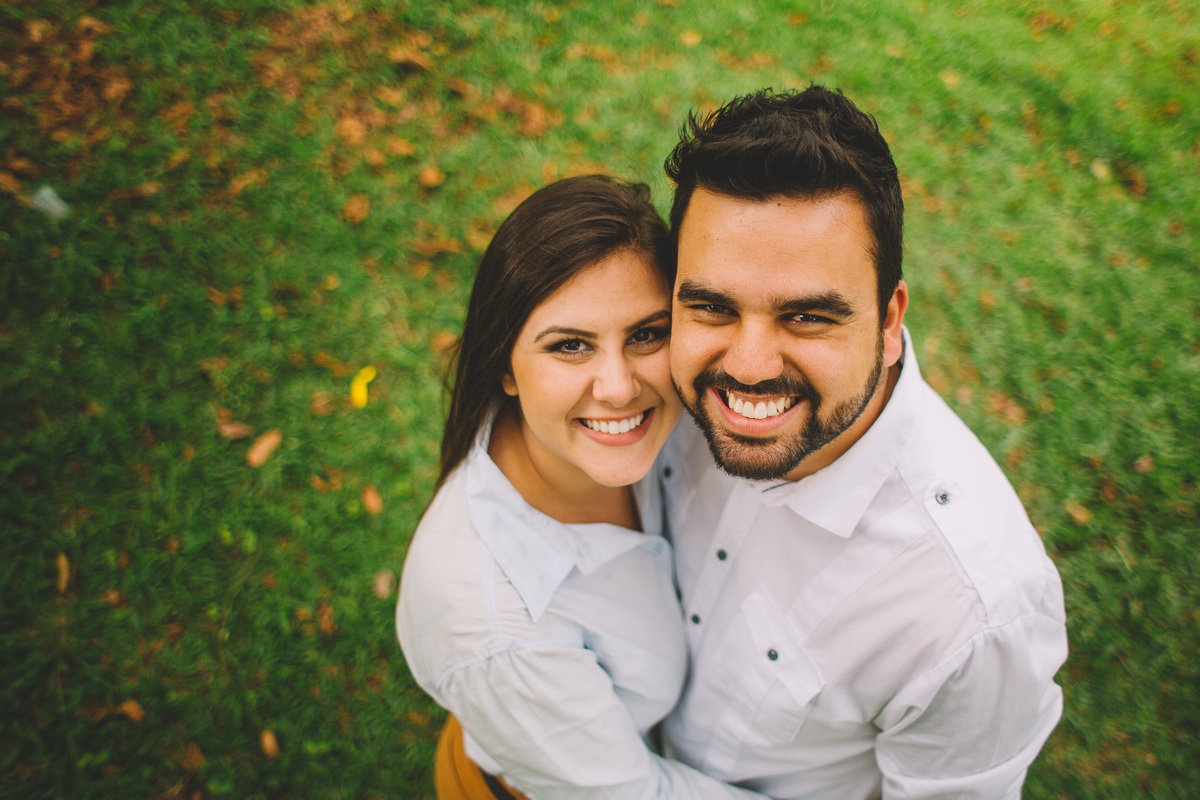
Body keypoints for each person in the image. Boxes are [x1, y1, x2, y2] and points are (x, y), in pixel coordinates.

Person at [656, 86, 1069, 799]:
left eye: (808, 316)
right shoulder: (642, 397)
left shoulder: (973, 614)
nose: (748, 367)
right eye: (712, 306)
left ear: (887, 318)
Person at [397, 175, 771, 800]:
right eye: (570, 346)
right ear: (504, 368)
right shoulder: (493, 622)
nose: (619, 387)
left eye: (647, 334)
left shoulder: (676, 423)